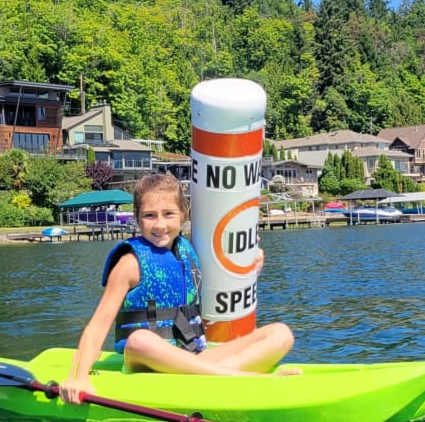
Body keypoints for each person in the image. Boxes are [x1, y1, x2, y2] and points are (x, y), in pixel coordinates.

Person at [60, 173, 296, 404]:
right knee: (139, 339)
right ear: (137, 218)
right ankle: (243, 379)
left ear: (183, 215)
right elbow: (98, 325)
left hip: (192, 354)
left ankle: (209, 376)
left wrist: (252, 260)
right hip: (145, 360)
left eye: (168, 214)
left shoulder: (188, 251)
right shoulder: (130, 264)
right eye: (149, 215)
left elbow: (228, 266)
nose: (160, 224)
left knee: (281, 334)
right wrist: (78, 378)